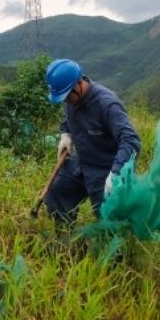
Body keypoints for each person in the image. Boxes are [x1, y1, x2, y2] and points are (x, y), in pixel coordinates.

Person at [43, 58, 141, 225]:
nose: (65, 101)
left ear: (78, 84)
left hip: (106, 169)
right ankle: (64, 237)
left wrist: (116, 173)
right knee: (56, 192)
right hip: (81, 162)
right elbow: (67, 116)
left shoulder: (107, 104)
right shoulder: (70, 98)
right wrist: (65, 134)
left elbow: (131, 141)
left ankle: (118, 247)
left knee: (109, 220)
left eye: (66, 97)